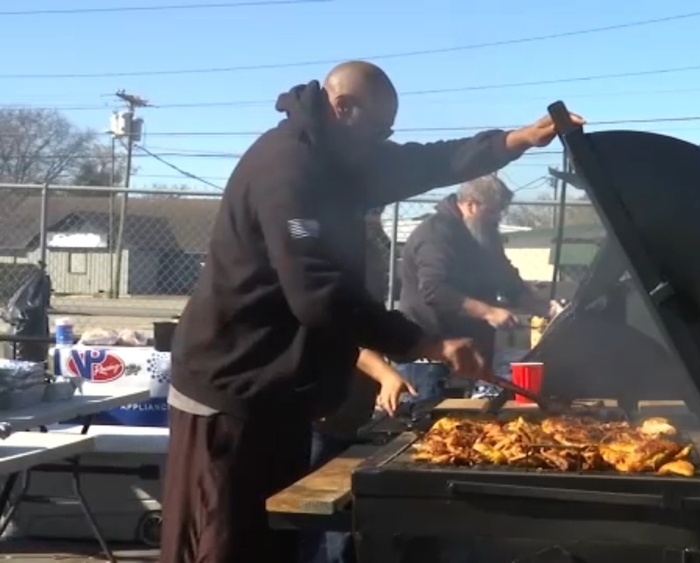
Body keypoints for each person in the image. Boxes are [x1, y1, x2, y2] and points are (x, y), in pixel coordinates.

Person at [160, 59, 584, 563]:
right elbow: (317, 292)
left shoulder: (341, 160)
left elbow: (426, 162)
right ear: (343, 108)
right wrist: (427, 342)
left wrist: (513, 141)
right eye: (381, 130)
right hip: (231, 390)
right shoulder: (287, 168)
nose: (384, 142)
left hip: (280, 395)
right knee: (227, 545)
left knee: (274, 547)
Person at [397, 175, 562, 401]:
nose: (498, 218)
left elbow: (506, 279)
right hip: (430, 358)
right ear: (470, 205)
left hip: (471, 355)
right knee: (427, 419)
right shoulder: (435, 234)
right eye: (493, 211)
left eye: (501, 211)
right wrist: (489, 312)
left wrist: (543, 308)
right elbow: (435, 290)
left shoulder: (484, 234)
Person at [299, 207, 401, 563]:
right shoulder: (329, 247)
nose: (378, 215)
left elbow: (368, 321)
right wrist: (385, 373)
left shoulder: (372, 246)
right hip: (322, 408)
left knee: (340, 518)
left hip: (349, 407)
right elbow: (338, 328)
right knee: (309, 514)